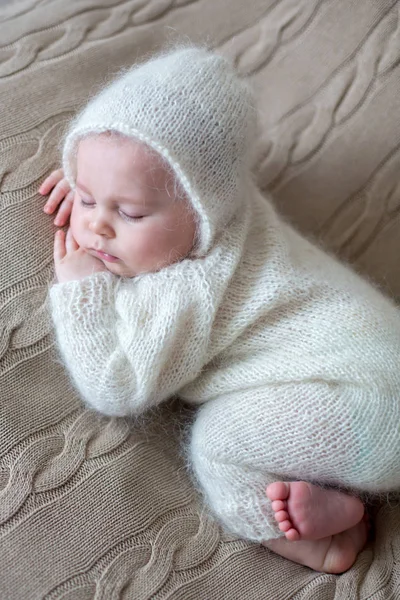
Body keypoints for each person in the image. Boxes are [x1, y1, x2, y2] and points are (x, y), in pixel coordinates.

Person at [39, 45, 400, 573]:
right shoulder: (232, 209)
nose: (95, 226)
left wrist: (80, 291)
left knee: (216, 446)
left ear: (200, 208)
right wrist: (99, 186)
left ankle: (329, 542)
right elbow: (166, 167)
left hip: (367, 412)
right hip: (374, 375)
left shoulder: (193, 284)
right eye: (87, 198)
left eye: (130, 211)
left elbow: (115, 387)